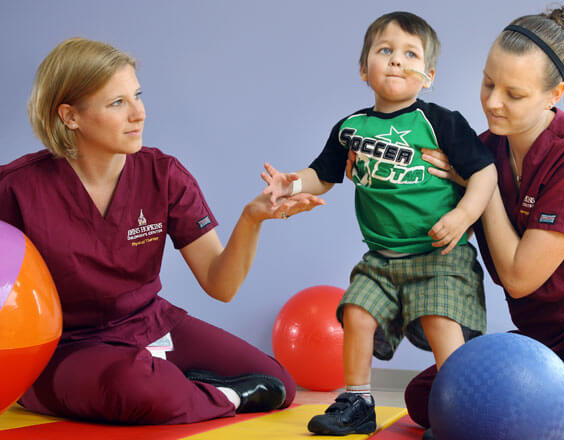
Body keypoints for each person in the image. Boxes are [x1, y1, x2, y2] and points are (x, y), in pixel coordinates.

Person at [0, 37, 324, 425]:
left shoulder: (163, 174)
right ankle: (209, 394)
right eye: (117, 103)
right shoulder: (16, 188)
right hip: (69, 348)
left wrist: (251, 220)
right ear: (70, 116)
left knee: (278, 383)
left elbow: (221, 285)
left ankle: (177, 387)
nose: (139, 114)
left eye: (137, 95)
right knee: (136, 387)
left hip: (149, 325)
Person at [403, 5, 564, 440]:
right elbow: (431, 231)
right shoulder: (482, 150)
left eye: (514, 94)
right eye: (488, 82)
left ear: (555, 95)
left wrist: (483, 185)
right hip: (549, 333)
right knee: (432, 398)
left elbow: (519, 277)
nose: (492, 102)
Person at [261, 11, 496, 436]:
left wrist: (463, 215)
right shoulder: (352, 128)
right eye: (384, 51)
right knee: (356, 311)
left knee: (441, 320)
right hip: (381, 259)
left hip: (440, 255)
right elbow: (324, 174)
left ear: (428, 76)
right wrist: (291, 181)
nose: (396, 61)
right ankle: (358, 401)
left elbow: (485, 173)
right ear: (364, 67)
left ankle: (459, 411)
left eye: (410, 54)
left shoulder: (440, 122)